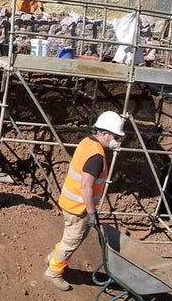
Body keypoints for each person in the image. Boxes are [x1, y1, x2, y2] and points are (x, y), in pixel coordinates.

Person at [44, 111, 126, 291]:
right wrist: (91, 212)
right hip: (78, 208)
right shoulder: (96, 156)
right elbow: (86, 186)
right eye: (116, 137)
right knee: (72, 241)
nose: (118, 141)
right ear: (105, 134)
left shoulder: (87, 142)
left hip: (70, 202)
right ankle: (54, 272)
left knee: (69, 237)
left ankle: (53, 257)